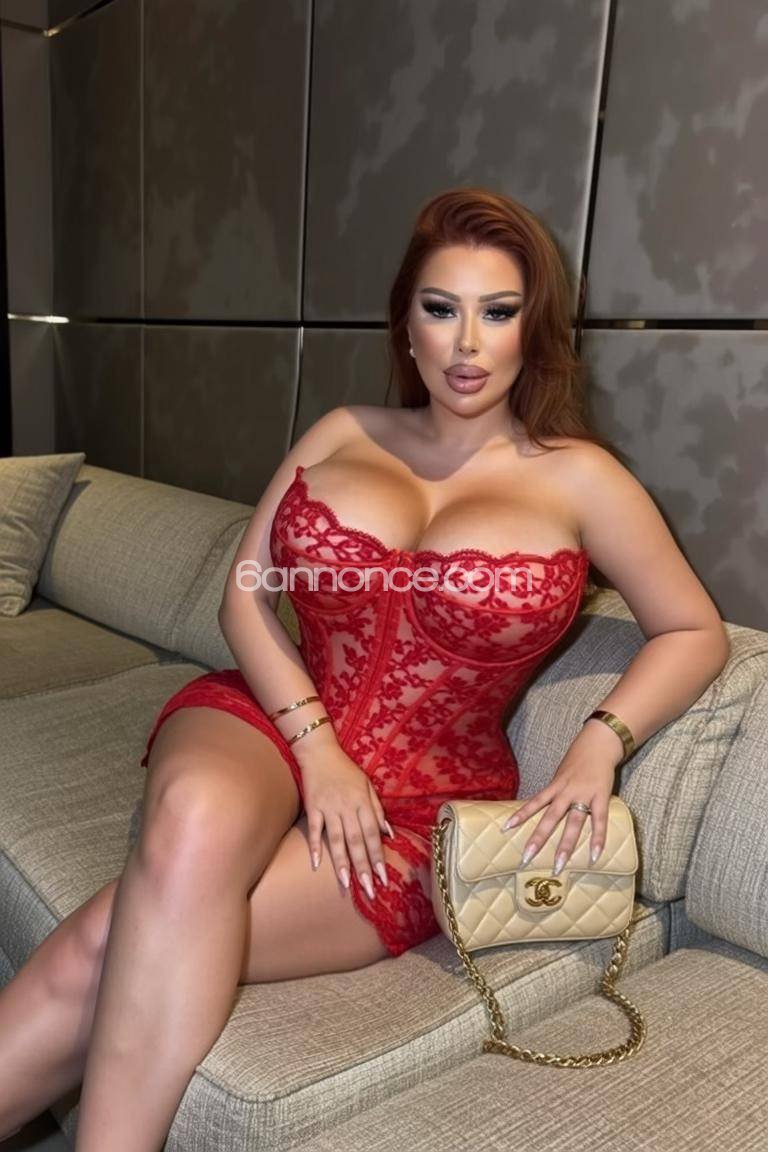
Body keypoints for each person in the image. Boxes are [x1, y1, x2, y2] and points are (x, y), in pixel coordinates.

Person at [0, 187, 730, 1149]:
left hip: (422, 804)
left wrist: (601, 743)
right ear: (407, 323)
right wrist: (319, 751)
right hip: (272, 719)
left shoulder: (584, 478)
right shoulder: (342, 430)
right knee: (192, 816)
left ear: (533, 329)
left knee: (112, 938)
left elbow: (693, 629)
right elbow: (245, 596)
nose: (467, 342)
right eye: (441, 307)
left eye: (498, 312)